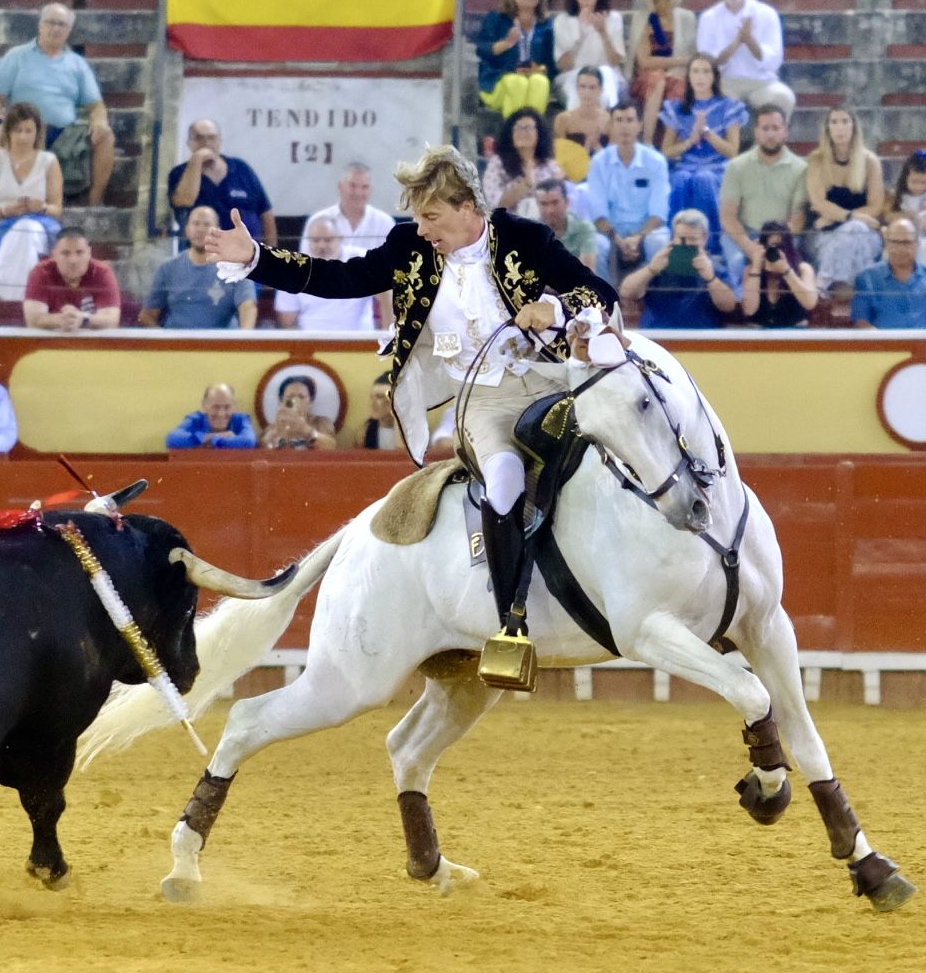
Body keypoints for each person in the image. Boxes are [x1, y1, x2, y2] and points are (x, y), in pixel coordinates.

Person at [199, 143, 622, 639]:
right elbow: (339, 278)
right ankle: (510, 622)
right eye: (417, 218)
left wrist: (559, 308)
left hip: (548, 383)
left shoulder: (524, 237)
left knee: (619, 446)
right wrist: (255, 258)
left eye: (431, 216)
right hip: (479, 399)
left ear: (468, 208)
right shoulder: (409, 248)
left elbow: (600, 293)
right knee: (505, 478)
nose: (421, 229)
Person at [0, 4, 113, 205]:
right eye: (50, 22)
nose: (55, 28)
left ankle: (94, 203)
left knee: (106, 137)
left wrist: (100, 121)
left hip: (66, 134)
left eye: (61, 24)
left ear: (69, 31)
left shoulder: (76, 63)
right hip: (24, 129)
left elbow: (96, 105)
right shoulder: (17, 56)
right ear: (40, 25)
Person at [659, 54, 746, 258]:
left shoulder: (728, 107)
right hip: (686, 165)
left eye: (706, 71)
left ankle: (710, 245)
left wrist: (706, 132)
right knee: (680, 179)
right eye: (695, 71)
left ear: (714, 77)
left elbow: (732, 151)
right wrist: (690, 139)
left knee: (703, 180)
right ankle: (677, 245)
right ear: (688, 76)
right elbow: (666, 152)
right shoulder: (678, 108)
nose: (700, 77)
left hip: (717, 168)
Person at [718, 105, 808, 295]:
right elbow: (727, 217)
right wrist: (750, 248)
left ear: (785, 132)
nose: (770, 134)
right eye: (765, 129)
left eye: (775, 128)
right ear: (756, 132)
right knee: (735, 259)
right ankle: (742, 305)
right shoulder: (736, 166)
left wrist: (773, 243)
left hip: (783, 236)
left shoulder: (801, 168)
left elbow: (798, 220)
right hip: (745, 234)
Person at [0, 100, 63, 298]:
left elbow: (56, 209)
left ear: (37, 132)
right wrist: (5, 211)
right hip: (0, 227)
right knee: (20, 231)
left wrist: (39, 207)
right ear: (8, 132)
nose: (23, 136)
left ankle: (5, 292)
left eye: (28, 130)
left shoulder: (49, 161)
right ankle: (23, 295)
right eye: (18, 130)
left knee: (26, 229)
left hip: (38, 227)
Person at [695, 0, 794, 115]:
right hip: (724, 82)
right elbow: (707, 63)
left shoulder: (767, 13)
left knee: (783, 97)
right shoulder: (708, 17)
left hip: (762, 83)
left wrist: (750, 41)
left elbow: (774, 60)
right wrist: (736, 43)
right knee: (714, 102)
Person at [586, 100, 670, 280]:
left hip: (646, 231)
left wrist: (638, 237)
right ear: (611, 125)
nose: (624, 126)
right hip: (610, 232)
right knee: (594, 244)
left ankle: (648, 298)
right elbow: (597, 212)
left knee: (659, 240)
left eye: (630, 120)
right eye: (619, 120)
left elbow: (659, 213)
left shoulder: (656, 161)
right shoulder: (599, 162)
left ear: (639, 125)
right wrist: (617, 238)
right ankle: (605, 299)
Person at [805, 107, 887, 290]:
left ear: (854, 127)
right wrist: (851, 217)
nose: (840, 128)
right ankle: (865, 293)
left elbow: (876, 206)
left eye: (844, 121)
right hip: (825, 234)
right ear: (827, 129)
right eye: (834, 122)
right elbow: (818, 203)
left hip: (864, 233)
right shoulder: (816, 160)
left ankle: (823, 283)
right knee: (853, 231)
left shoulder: (870, 161)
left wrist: (842, 217)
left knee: (854, 230)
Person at [140, 205, 257, 330]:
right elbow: (147, 315)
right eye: (195, 224)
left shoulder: (236, 267)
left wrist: (244, 340)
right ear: (186, 229)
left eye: (207, 225)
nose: (200, 230)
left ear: (218, 230)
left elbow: (248, 307)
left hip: (221, 346)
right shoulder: (167, 268)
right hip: (178, 346)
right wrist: (165, 342)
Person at [620, 208, 739, 329]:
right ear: (672, 237)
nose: (686, 244)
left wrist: (711, 279)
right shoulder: (659, 262)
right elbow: (627, 292)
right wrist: (651, 270)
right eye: (681, 239)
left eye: (692, 239)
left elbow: (729, 305)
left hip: (700, 338)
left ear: (704, 238)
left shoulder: (715, 267)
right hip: (658, 334)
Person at [166, 116, 273, 242]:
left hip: (245, 253)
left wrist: (270, 257)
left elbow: (266, 214)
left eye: (211, 137)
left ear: (219, 141)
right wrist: (197, 160)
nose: (206, 143)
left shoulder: (241, 168)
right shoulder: (179, 173)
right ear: (189, 143)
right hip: (203, 254)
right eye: (199, 138)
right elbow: (183, 201)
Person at [275, 215, 376, 330]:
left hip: (360, 341)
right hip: (311, 341)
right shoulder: (292, 269)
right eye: (315, 240)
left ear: (341, 239)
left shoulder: (362, 259)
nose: (321, 245)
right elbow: (287, 320)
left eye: (328, 240)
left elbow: (386, 295)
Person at [474, 0, 552, 117]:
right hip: (496, 81)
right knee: (517, 83)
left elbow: (550, 63)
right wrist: (507, 44)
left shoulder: (546, 25)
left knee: (541, 82)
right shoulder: (496, 18)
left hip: (531, 82)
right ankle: (513, 137)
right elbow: (482, 50)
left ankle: (532, 135)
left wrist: (538, 68)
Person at [850, 215, 926, 330]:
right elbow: (861, 323)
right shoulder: (866, 278)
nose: (900, 249)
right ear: (886, 244)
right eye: (895, 242)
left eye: (906, 243)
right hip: (882, 345)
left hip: (923, 345)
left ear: (917, 244)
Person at [628, 0, 695, 133]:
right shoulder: (642, 18)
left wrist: (679, 69)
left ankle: (670, 146)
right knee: (657, 78)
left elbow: (694, 57)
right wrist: (680, 62)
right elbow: (644, 62)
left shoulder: (687, 17)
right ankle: (648, 141)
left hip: (678, 75)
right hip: (646, 78)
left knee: (679, 86)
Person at [552, 0, 626, 110]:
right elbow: (563, 65)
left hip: (607, 76)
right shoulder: (562, 21)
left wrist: (603, 32)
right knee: (581, 89)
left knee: (605, 76)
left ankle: (605, 124)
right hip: (572, 76)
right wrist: (580, 38)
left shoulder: (613, 18)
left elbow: (615, 60)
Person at [23, 227, 120, 332]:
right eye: (65, 253)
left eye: (79, 252)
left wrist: (83, 319)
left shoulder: (102, 272)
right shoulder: (40, 272)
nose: (73, 260)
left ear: (89, 253)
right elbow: (33, 320)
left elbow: (111, 320)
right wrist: (60, 320)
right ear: (54, 255)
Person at [479, 108, 562, 220]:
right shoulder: (497, 163)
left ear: (539, 133)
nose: (523, 132)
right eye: (518, 128)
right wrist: (525, 184)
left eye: (528, 127)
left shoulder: (550, 165)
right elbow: (496, 205)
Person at [305, 162, 396, 258]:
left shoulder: (386, 223)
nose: (358, 192)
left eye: (364, 187)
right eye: (352, 185)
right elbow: (305, 263)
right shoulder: (317, 221)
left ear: (370, 190)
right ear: (340, 186)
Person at [740, 221, 818, 328]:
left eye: (779, 247)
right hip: (760, 336)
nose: (774, 252)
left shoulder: (803, 269)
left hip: (794, 336)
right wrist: (757, 268)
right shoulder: (751, 271)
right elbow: (749, 310)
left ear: (788, 248)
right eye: (769, 247)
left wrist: (787, 271)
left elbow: (810, 303)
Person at [889, 150, 926, 268]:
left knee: (925, 246)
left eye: (923, 183)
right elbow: (890, 216)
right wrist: (908, 216)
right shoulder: (900, 196)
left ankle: (921, 276)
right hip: (902, 237)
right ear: (905, 178)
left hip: (925, 238)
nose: (918, 186)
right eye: (914, 182)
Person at [552, 67, 611, 180]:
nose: (586, 92)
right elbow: (558, 157)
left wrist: (596, 146)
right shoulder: (564, 119)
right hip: (571, 177)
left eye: (592, 87)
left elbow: (614, 157)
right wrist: (587, 148)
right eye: (582, 87)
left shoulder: (609, 120)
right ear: (577, 89)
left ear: (601, 90)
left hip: (603, 175)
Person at [534, 178, 600, 272]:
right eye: (544, 204)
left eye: (555, 202)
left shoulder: (584, 228)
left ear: (567, 202)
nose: (550, 210)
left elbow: (587, 272)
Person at [167, 382, 258, 449]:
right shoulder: (195, 419)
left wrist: (214, 441)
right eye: (215, 407)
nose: (221, 413)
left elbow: (248, 441)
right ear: (204, 406)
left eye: (227, 407)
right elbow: (173, 439)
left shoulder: (241, 419)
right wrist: (215, 436)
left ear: (234, 407)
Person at [261, 375, 338, 450]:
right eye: (290, 396)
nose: (295, 401)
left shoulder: (321, 423)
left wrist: (306, 430)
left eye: (301, 397)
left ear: (311, 401)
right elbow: (264, 448)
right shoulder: (273, 427)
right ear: (281, 401)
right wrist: (276, 432)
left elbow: (330, 447)